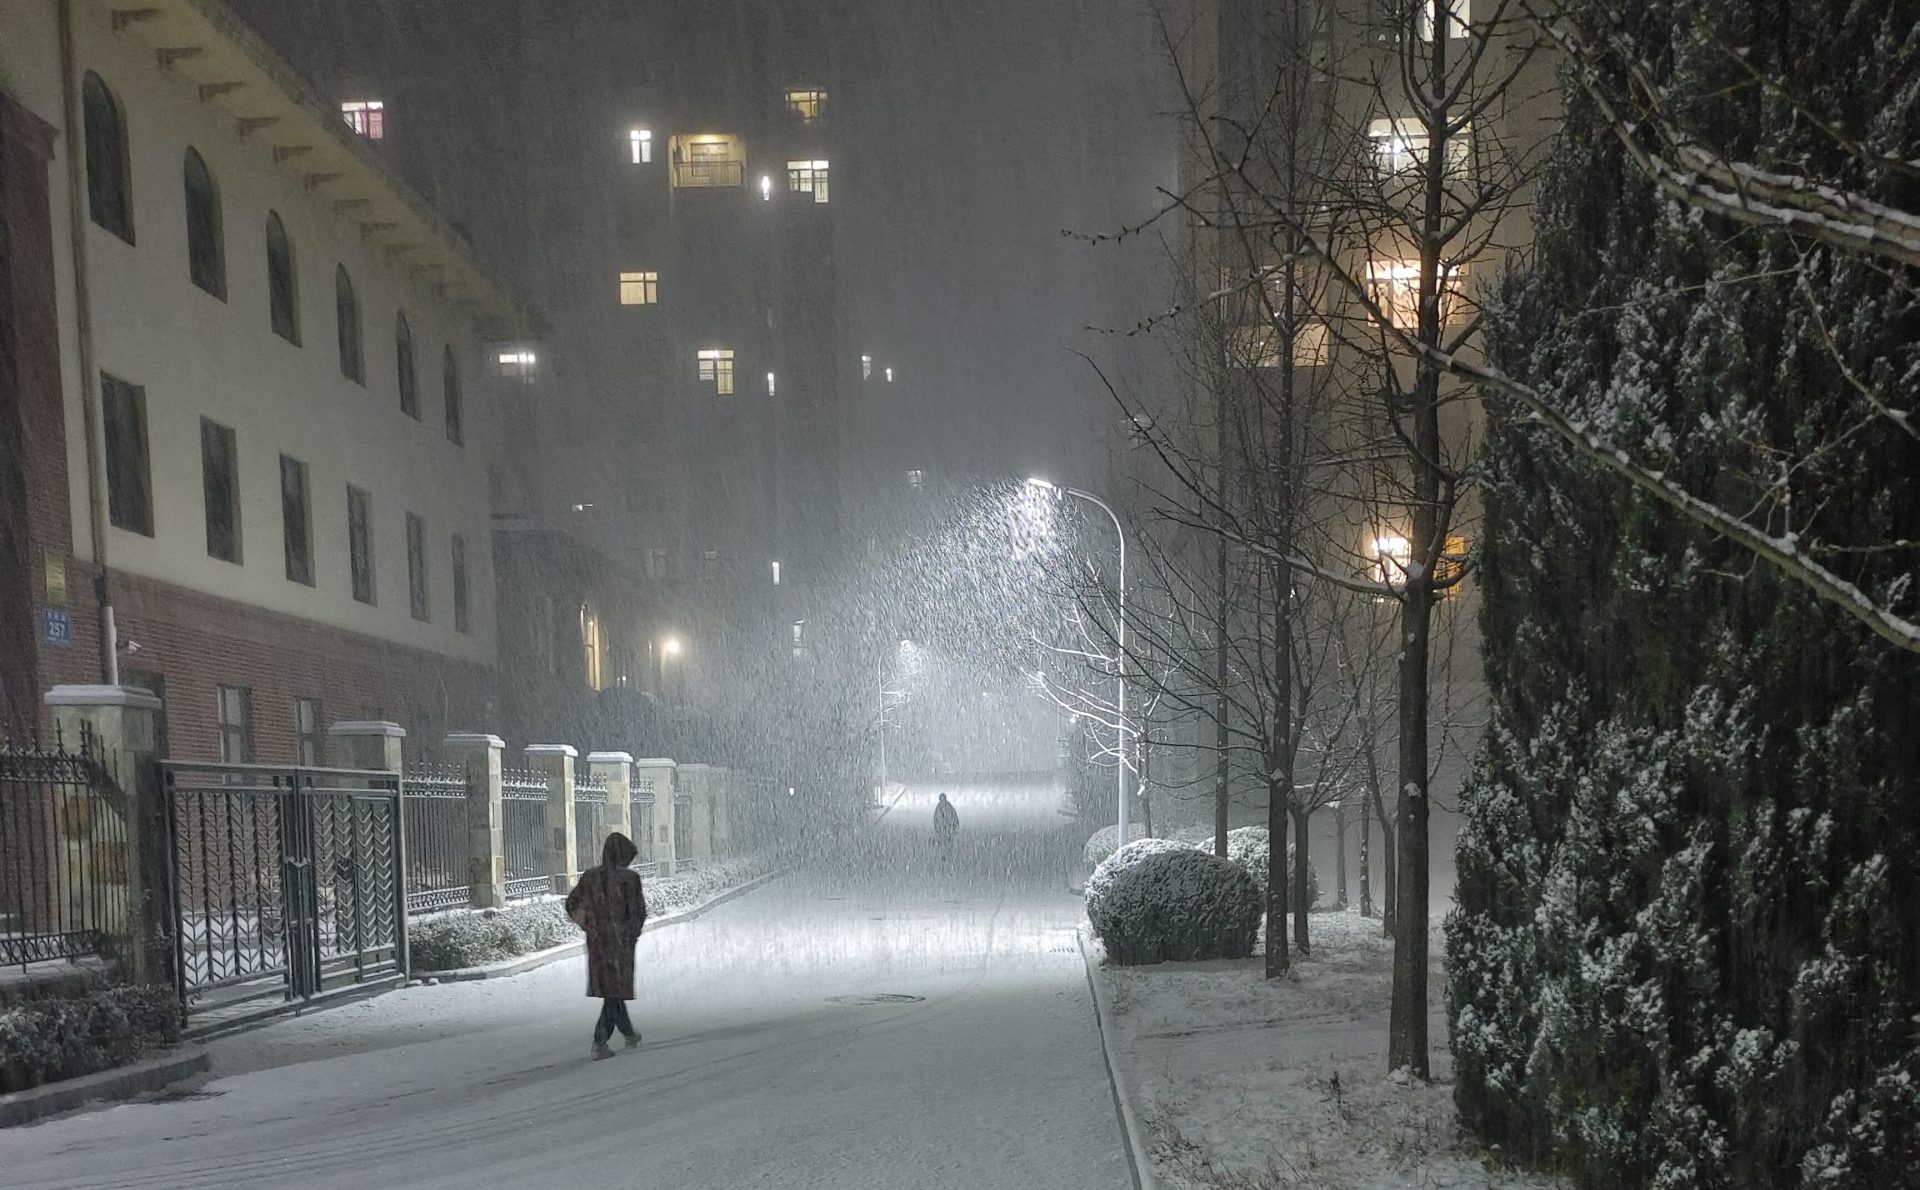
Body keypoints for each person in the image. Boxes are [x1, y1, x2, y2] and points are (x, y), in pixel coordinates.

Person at [564, 831, 648, 1060]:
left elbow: (571, 903)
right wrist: (630, 934)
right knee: (614, 992)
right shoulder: (629, 880)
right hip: (620, 946)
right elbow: (639, 913)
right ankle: (599, 1041)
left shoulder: (590, 877)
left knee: (612, 990)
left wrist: (589, 925)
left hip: (598, 945)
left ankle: (629, 1033)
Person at [932, 792, 958, 859]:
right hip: (941, 829)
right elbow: (935, 819)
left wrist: (954, 825)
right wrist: (937, 827)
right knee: (942, 843)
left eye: (943, 798)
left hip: (949, 829)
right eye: (941, 799)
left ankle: (949, 854)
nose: (942, 800)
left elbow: (954, 816)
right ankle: (943, 855)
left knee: (948, 842)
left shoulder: (949, 807)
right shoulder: (938, 808)